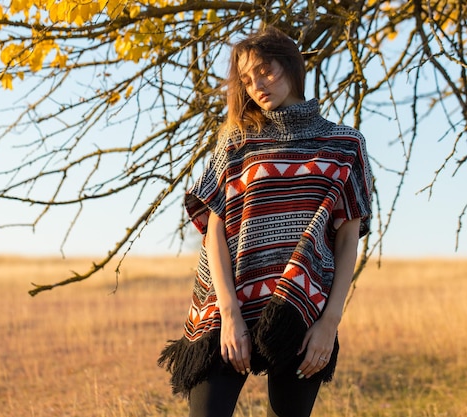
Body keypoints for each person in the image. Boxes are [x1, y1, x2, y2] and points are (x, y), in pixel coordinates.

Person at [158, 26, 373, 417]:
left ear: (291, 66)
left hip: (302, 309)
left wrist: (330, 323)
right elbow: (215, 232)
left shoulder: (345, 145)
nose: (256, 85)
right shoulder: (237, 141)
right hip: (228, 304)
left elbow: (347, 239)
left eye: (265, 71)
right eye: (246, 78)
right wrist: (229, 316)